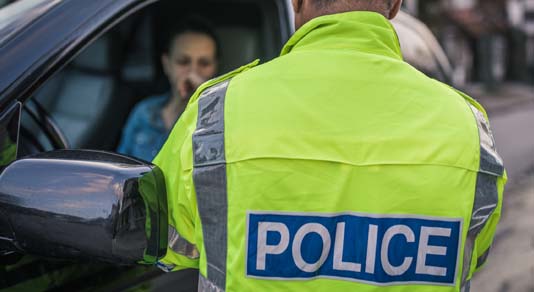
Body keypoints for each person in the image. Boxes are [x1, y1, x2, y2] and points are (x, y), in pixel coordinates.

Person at [153, 1, 506, 291]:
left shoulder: (216, 115)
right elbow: (473, 252)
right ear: (395, 5)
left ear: (296, 2)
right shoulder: (468, 129)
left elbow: (163, 241)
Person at [117, 17, 219, 161]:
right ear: (166, 64)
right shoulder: (144, 111)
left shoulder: (221, 120)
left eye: (204, 63)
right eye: (183, 62)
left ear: (215, 67)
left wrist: (204, 98)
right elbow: (119, 164)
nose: (193, 73)